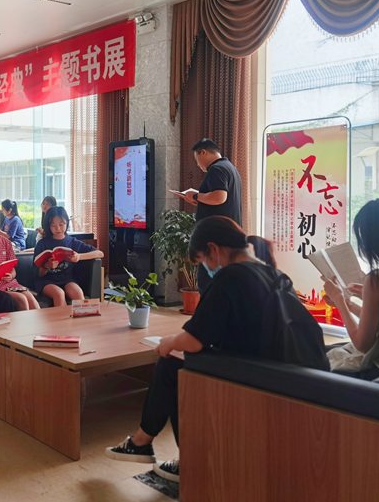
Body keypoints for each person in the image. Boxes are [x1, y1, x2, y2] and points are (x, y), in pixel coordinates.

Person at [105, 216, 328, 483]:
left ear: (213, 249)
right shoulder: (275, 274)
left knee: (174, 361)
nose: (208, 268)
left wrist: (169, 342)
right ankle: (145, 443)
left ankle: (170, 453)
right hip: (294, 375)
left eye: (204, 261)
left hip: (264, 379)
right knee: (179, 359)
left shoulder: (231, 276)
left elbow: (194, 340)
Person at [322, 198, 379, 380]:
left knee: (316, 360)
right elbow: (377, 321)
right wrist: (350, 305)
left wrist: (340, 301)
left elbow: (362, 343)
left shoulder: (376, 281)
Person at [182, 138, 242, 294]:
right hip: (228, 238)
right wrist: (200, 199)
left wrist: (195, 195)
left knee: (209, 284)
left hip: (216, 240)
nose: (198, 164)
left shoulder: (216, 169)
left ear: (203, 152)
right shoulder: (230, 168)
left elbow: (219, 197)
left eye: (197, 159)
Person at [34, 206, 103, 307]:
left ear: (67, 223)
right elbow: (39, 274)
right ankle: (63, 318)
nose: (58, 228)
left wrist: (79, 256)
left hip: (67, 279)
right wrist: (46, 266)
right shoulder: (42, 244)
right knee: (59, 293)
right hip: (46, 281)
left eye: (61, 224)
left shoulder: (72, 242)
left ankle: (82, 317)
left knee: (78, 293)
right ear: (48, 226)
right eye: (53, 225)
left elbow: (100, 253)